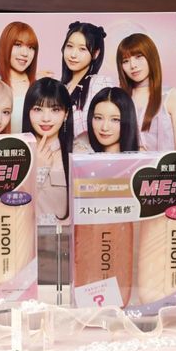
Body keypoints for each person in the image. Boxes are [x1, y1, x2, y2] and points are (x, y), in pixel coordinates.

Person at [22, 77, 85, 224]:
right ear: (28, 112)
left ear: (66, 114)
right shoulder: (16, 153)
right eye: (38, 109)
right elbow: (12, 210)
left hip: (65, 236)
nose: (46, 118)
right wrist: (38, 170)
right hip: (25, 235)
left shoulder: (78, 154)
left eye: (55, 110)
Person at [116, 33, 176, 151]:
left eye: (138, 57)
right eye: (125, 61)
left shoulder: (173, 97)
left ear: (151, 57)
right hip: (127, 163)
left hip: (164, 163)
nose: (133, 65)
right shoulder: (119, 99)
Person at [60, 21, 113, 142]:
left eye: (82, 49)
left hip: (88, 152)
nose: (73, 55)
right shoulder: (62, 87)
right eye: (69, 46)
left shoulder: (99, 84)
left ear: (95, 53)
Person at [0, 21, 39, 133]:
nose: (25, 53)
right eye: (18, 45)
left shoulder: (38, 86)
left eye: (31, 47)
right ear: (5, 46)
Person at [87, 87, 140, 153]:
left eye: (115, 120)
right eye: (98, 118)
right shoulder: (81, 154)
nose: (104, 128)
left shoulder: (142, 158)